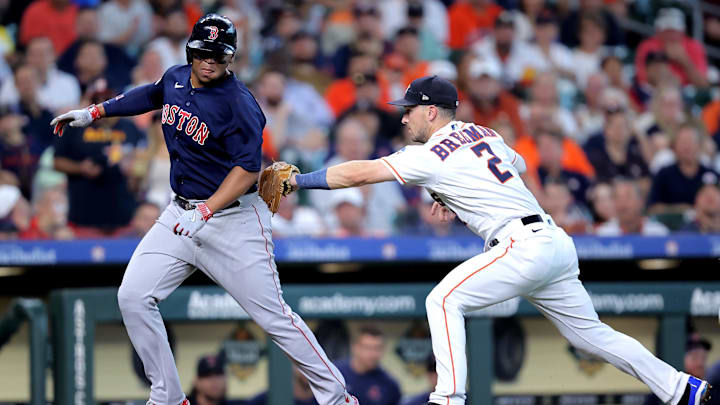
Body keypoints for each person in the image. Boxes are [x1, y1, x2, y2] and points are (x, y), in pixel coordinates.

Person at [284, 75, 712, 405]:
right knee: (594, 336)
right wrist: (452, 191)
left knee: (443, 299)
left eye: (410, 109)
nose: (403, 116)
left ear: (432, 112)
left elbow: (359, 173)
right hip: (553, 242)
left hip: (519, 244)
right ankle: (680, 388)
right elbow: (518, 163)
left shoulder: (429, 154)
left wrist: (300, 181)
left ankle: (448, 398)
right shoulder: (485, 132)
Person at [50, 14, 358, 405]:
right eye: (202, 52)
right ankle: (168, 396)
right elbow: (151, 94)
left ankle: (337, 397)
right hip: (179, 212)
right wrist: (95, 113)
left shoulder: (240, 104)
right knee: (132, 296)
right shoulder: (177, 76)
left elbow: (248, 170)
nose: (210, 61)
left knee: (274, 318)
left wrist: (209, 210)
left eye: (219, 54)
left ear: (230, 58)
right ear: (190, 51)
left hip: (232, 220)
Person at [335, 326, 402, 405]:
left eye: (377, 348)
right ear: (355, 347)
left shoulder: (389, 384)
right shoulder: (335, 373)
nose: (373, 354)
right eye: (367, 348)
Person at [595, 178, 669, 236]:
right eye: (617, 198)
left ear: (641, 201)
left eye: (628, 197)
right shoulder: (603, 234)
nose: (622, 204)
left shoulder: (658, 233)